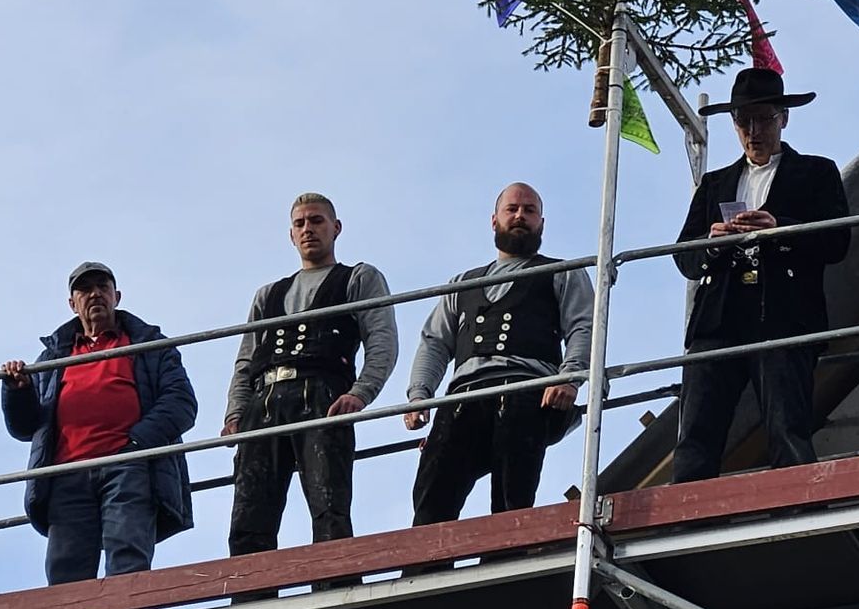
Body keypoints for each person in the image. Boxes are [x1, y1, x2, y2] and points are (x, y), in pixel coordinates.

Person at [671, 67, 850, 481]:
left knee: (788, 425)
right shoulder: (714, 183)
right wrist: (712, 242)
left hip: (783, 315)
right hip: (718, 317)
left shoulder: (817, 172)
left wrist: (781, 230)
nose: (754, 131)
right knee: (696, 430)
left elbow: (838, 242)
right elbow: (684, 257)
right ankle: (682, 523)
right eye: (743, 121)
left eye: (764, 118)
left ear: (783, 118)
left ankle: (797, 511)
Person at [403, 183, 594, 522]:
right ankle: (424, 570)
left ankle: (504, 563)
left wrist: (571, 378)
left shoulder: (561, 273)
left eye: (529, 210)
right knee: (433, 494)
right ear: (495, 220)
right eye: (512, 209)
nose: (520, 216)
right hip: (462, 397)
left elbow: (584, 326)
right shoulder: (463, 284)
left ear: (541, 223)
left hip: (526, 392)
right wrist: (420, 395)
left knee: (511, 497)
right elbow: (434, 341)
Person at [222, 194, 398, 559]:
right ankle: (250, 605)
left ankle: (335, 599)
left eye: (316, 221)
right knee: (249, 515)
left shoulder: (357, 278)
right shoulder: (268, 294)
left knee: (329, 505)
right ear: (291, 235)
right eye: (300, 224)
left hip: (323, 395)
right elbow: (246, 360)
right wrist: (235, 413)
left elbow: (382, 341)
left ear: (336, 228)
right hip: (264, 402)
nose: (308, 229)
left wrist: (362, 393)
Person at [2, 261, 197, 585]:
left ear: (116, 295)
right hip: (66, 473)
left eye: (102, 287)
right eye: (84, 289)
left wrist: (136, 443)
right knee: (66, 569)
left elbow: (182, 403)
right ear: (71, 303)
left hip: (128, 465)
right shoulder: (51, 358)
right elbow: (25, 427)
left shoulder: (150, 344)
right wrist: (17, 389)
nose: (94, 294)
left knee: (128, 554)